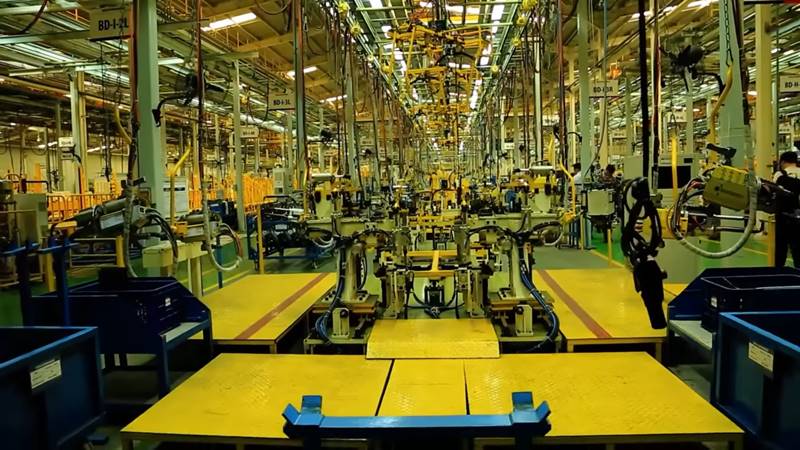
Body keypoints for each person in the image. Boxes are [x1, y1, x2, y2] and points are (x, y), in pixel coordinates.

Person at [773, 151, 800, 268]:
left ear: (782, 162)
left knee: (781, 248)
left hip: (783, 217)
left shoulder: (779, 175)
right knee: (797, 249)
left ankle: (779, 273)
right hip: (798, 217)